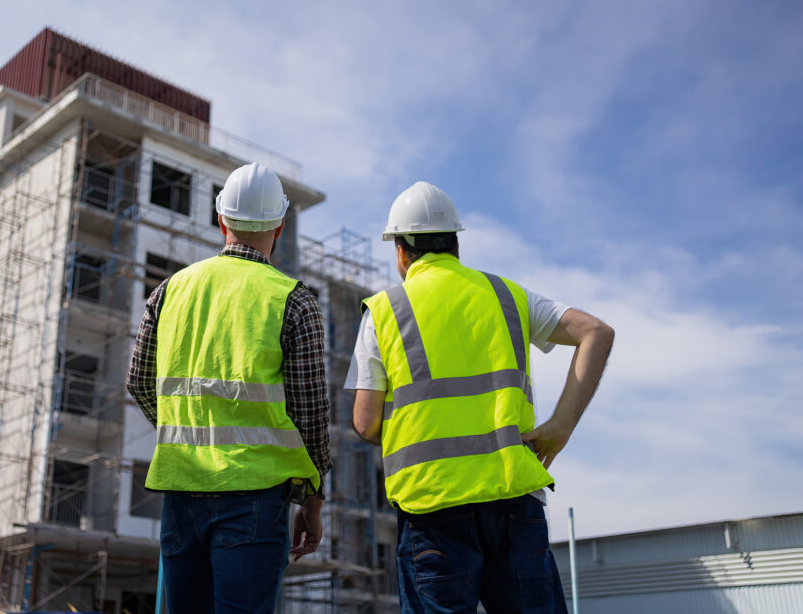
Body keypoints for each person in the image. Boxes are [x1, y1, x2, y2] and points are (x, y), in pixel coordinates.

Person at [347, 182, 614, 614]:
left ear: (401, 250)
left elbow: (364, 423)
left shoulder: (384, 311)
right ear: (455, 242)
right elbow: (596, 333)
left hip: (433, 505)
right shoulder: (508, 295)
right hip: (515, 498)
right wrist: (561, 426)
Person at [126, 163, 331, 613]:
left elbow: (139, 382)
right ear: (279, 224)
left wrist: (188, 430)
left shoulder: (169, 290)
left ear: (221, 219)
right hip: (256, 497)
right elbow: (311, 413)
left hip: (182, 491)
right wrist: (311, 501)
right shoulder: (293, 299)